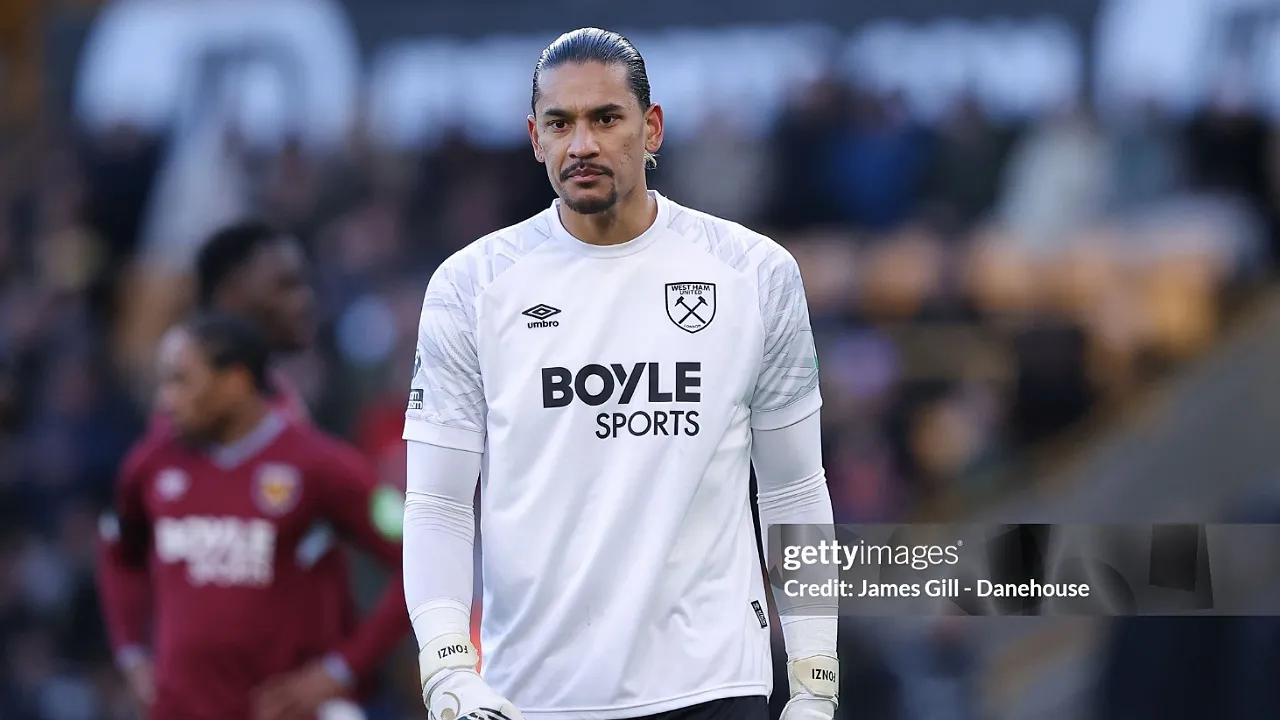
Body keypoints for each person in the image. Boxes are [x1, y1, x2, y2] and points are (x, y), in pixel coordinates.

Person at [402, 27, 839, 720]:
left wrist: (814, 680)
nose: (583, 144)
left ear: (652, 126)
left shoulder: (755, 273)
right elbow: (438, 503)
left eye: (606, 118)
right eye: (561, 123)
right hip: (531, 693)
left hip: (714, 684)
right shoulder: (471, 286)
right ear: (535, 137)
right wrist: (446, 663)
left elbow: (793, 489)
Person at [97, 313, 409, 719]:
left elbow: (421, 556)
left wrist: (340, 670)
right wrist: (131, 653)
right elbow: (118, 552)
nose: (166, 399)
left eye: (181, 381)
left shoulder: (320, 466)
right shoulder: (151, 463)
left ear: (235, 383)